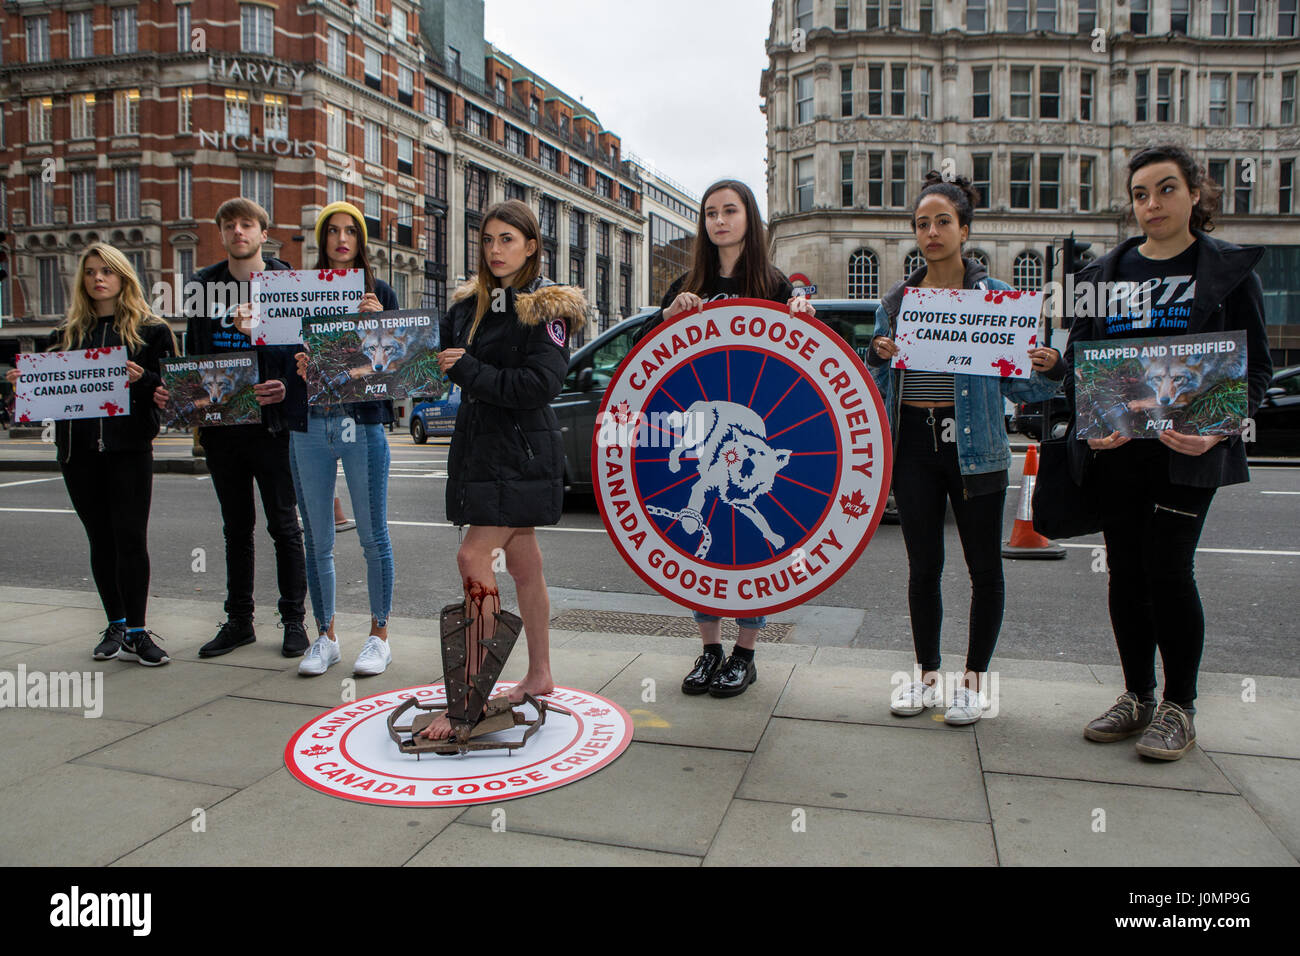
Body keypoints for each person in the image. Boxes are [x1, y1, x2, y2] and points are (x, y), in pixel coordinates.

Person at [1066, 145, 1271, 760]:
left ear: (1194, 195)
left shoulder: (1231, 272)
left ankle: (1180, 705)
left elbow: (1254, 368)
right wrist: (1091, 420)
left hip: (1189, 452)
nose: (1152, 205)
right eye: (1140, 195)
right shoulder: (1101, 276)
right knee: (1125, 571)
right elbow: (1081, 362)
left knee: (1170, 571)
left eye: (1166, 190)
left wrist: (1217, 427)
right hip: (1121, 451)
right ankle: (1137, 696)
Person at [867, 172, 1065, 725]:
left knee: (984, 569)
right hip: (914, 449)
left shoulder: (997, 300)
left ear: (964, 229)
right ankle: (928, 677)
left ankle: (974, 685)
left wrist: (1050, 366)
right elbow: (877, 387)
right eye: (922, 224)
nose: (931, 232)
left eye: (942, 222)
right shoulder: (898, 301)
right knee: (922, 566)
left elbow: (1023, 387)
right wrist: (879, 359)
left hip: (975, 447)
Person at [636, 178, 816, 700]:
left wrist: (802, 315)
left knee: (748, 549)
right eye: (711, 212)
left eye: (729, 211)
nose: (719, 220)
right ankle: (710, 649)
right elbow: (646, 353)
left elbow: (806, 355)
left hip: (753, 426)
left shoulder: (774, 284)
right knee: (705, 537)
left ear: (749, 219)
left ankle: (746, 654)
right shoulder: (687, 283)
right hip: (702, 424)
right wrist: (666, 317)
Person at [417, 199, 586, 741]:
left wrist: (468, 369)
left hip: (521, 454)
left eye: (507, 239)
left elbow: (539, 386)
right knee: (524, 563)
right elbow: (427, 367)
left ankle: (470, 694)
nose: (494, 249)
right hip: (480, 450)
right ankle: (539, 675)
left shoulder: (547, 308)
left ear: (532, 246)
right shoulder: (468, 306)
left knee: (472, 556)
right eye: (488, 239)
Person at [154, 197, 310, 658]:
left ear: (264, 234)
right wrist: (177, 393)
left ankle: (294, 621)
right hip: (223, 426)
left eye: (247, 224)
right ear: (220, 234)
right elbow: (196, 353)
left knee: (285, 525)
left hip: (274, 426)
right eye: (229, 226)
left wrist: (283, 383)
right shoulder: (203, 287)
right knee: (235, 527)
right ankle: (240, 620)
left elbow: (304, 352)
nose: (238, 232)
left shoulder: (285, 283)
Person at [7, 243, 176, 664]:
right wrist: (23, 387)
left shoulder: (151, 332)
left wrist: (143, 379)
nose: (97, 278)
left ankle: (138, 631)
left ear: (123, 277)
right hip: (77, 452)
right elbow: (46, 397)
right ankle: (115, 623)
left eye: (107, 271)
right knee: (100, 539)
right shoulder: (63, 336)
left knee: (130, 538)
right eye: (89, 272)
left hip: (129, 449)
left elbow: (172, 394)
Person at [285, 201, 399, 677]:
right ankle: (325, 636)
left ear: (362, 241)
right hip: (311, 420)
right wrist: (298, 364)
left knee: (374, 536)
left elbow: (399, 368)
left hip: (363, 422)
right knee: (318, 538)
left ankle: (379, 637)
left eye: (350, 230)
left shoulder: (382, 292)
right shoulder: (301, 292)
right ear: (322, 239)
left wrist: (378, 324)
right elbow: (283, 351)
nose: (341, 239)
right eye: (332, 231)